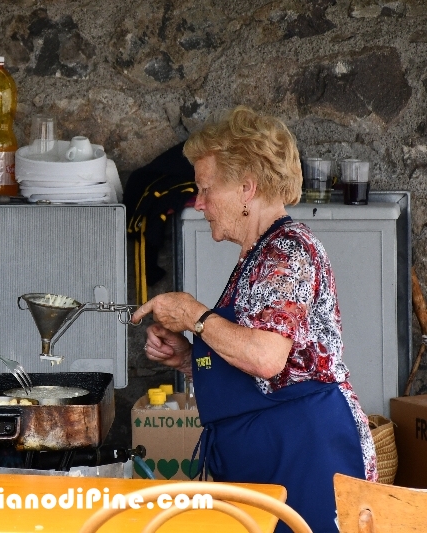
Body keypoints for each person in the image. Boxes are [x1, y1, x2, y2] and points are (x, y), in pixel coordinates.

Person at [131, 106, 377, 533]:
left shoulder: (287, 252)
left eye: (206, 190)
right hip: (274, 454)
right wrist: (189, 360)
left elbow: (266, 358)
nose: (198, 202)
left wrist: (192, 313)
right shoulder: (258, 256)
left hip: (308, 456)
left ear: (246, 188)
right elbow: (256, 370)